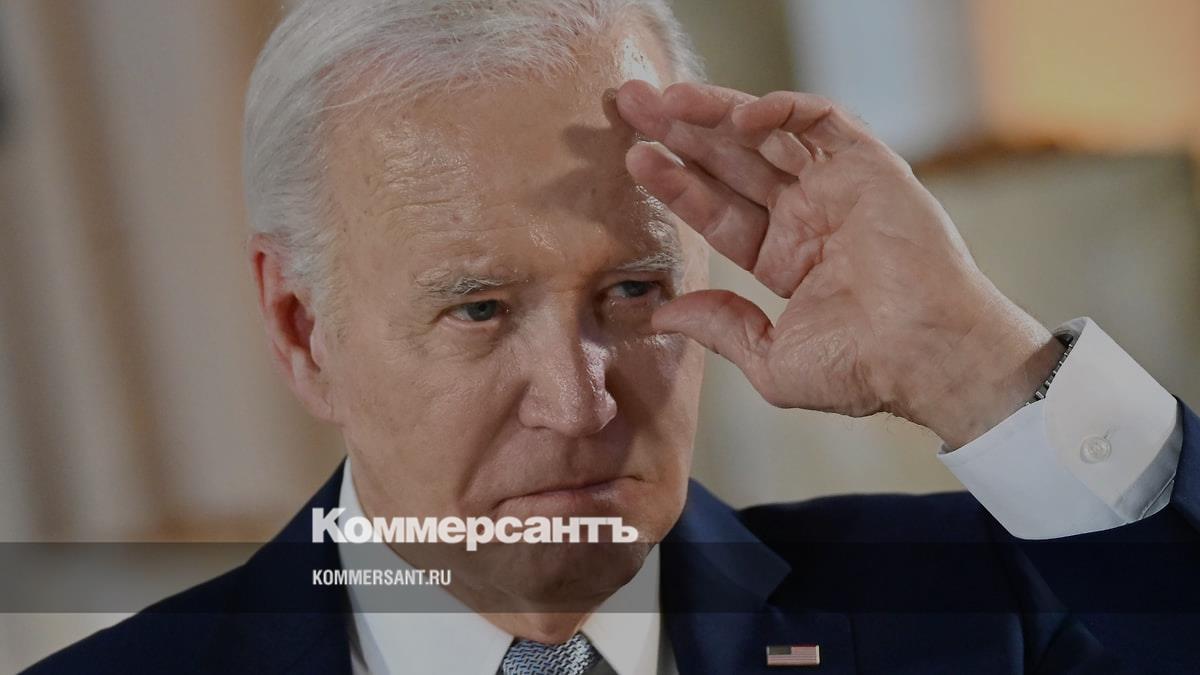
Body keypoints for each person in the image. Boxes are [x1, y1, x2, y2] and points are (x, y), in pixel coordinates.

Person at [29, 1, 1198, 673]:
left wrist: (976, 362)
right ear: (303, 332)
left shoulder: (990, 610)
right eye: (479, 309)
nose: (578, 401)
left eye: (633, 292)